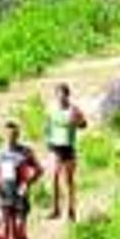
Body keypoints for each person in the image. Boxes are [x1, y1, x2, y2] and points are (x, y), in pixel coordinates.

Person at [0, 121, 43, 239]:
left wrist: (27, 183)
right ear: (3, 135)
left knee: (17, 230)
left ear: (18, 135)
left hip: (19, 195)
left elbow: (39, 170)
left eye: (13, 134)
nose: (11, 137)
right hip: (4, 193)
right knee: (5, 229)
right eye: (8, 134)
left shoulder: (25, 152)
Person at [45, 83, 87, 221]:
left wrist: (76, 122)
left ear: (67, 95)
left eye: (63, 94)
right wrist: (47, 139)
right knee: (53, 178)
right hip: (54, 146)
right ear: (55, 95)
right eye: (58, 94)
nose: (61, 97)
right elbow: (47, 124)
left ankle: (71, 210)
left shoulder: (74, 109)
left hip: (68, 146)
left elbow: (84, 124)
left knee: (68, 180)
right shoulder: (51, 108)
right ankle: (55, 209)